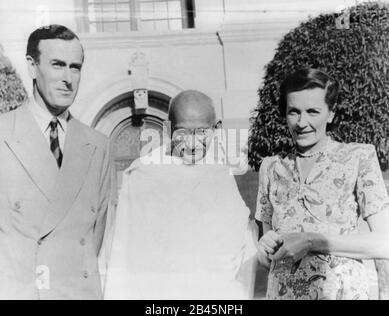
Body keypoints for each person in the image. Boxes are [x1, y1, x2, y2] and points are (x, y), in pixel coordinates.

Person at [103, 90, 257, 299]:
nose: (192, 144)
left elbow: (239, 241)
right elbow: (122, 250)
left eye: (202, 132)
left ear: (217, 129)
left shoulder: (221, 173)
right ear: (168, 129)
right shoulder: (144, 173)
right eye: (183, 132)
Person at [0, 25, 115, 299]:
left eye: (75, 67)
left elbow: (98, 235)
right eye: (57, 65)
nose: (68, 78)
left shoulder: (99, 145)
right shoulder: (4, 134)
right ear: (31, 66)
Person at [255, 68, 389, 300]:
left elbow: (384, 243)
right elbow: (267, 259)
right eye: (293, 112)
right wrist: (264, 248)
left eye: (313, 111)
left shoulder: (358, 157)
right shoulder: (271, 168)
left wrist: (312, 241)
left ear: (331, 114)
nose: (302, 122)